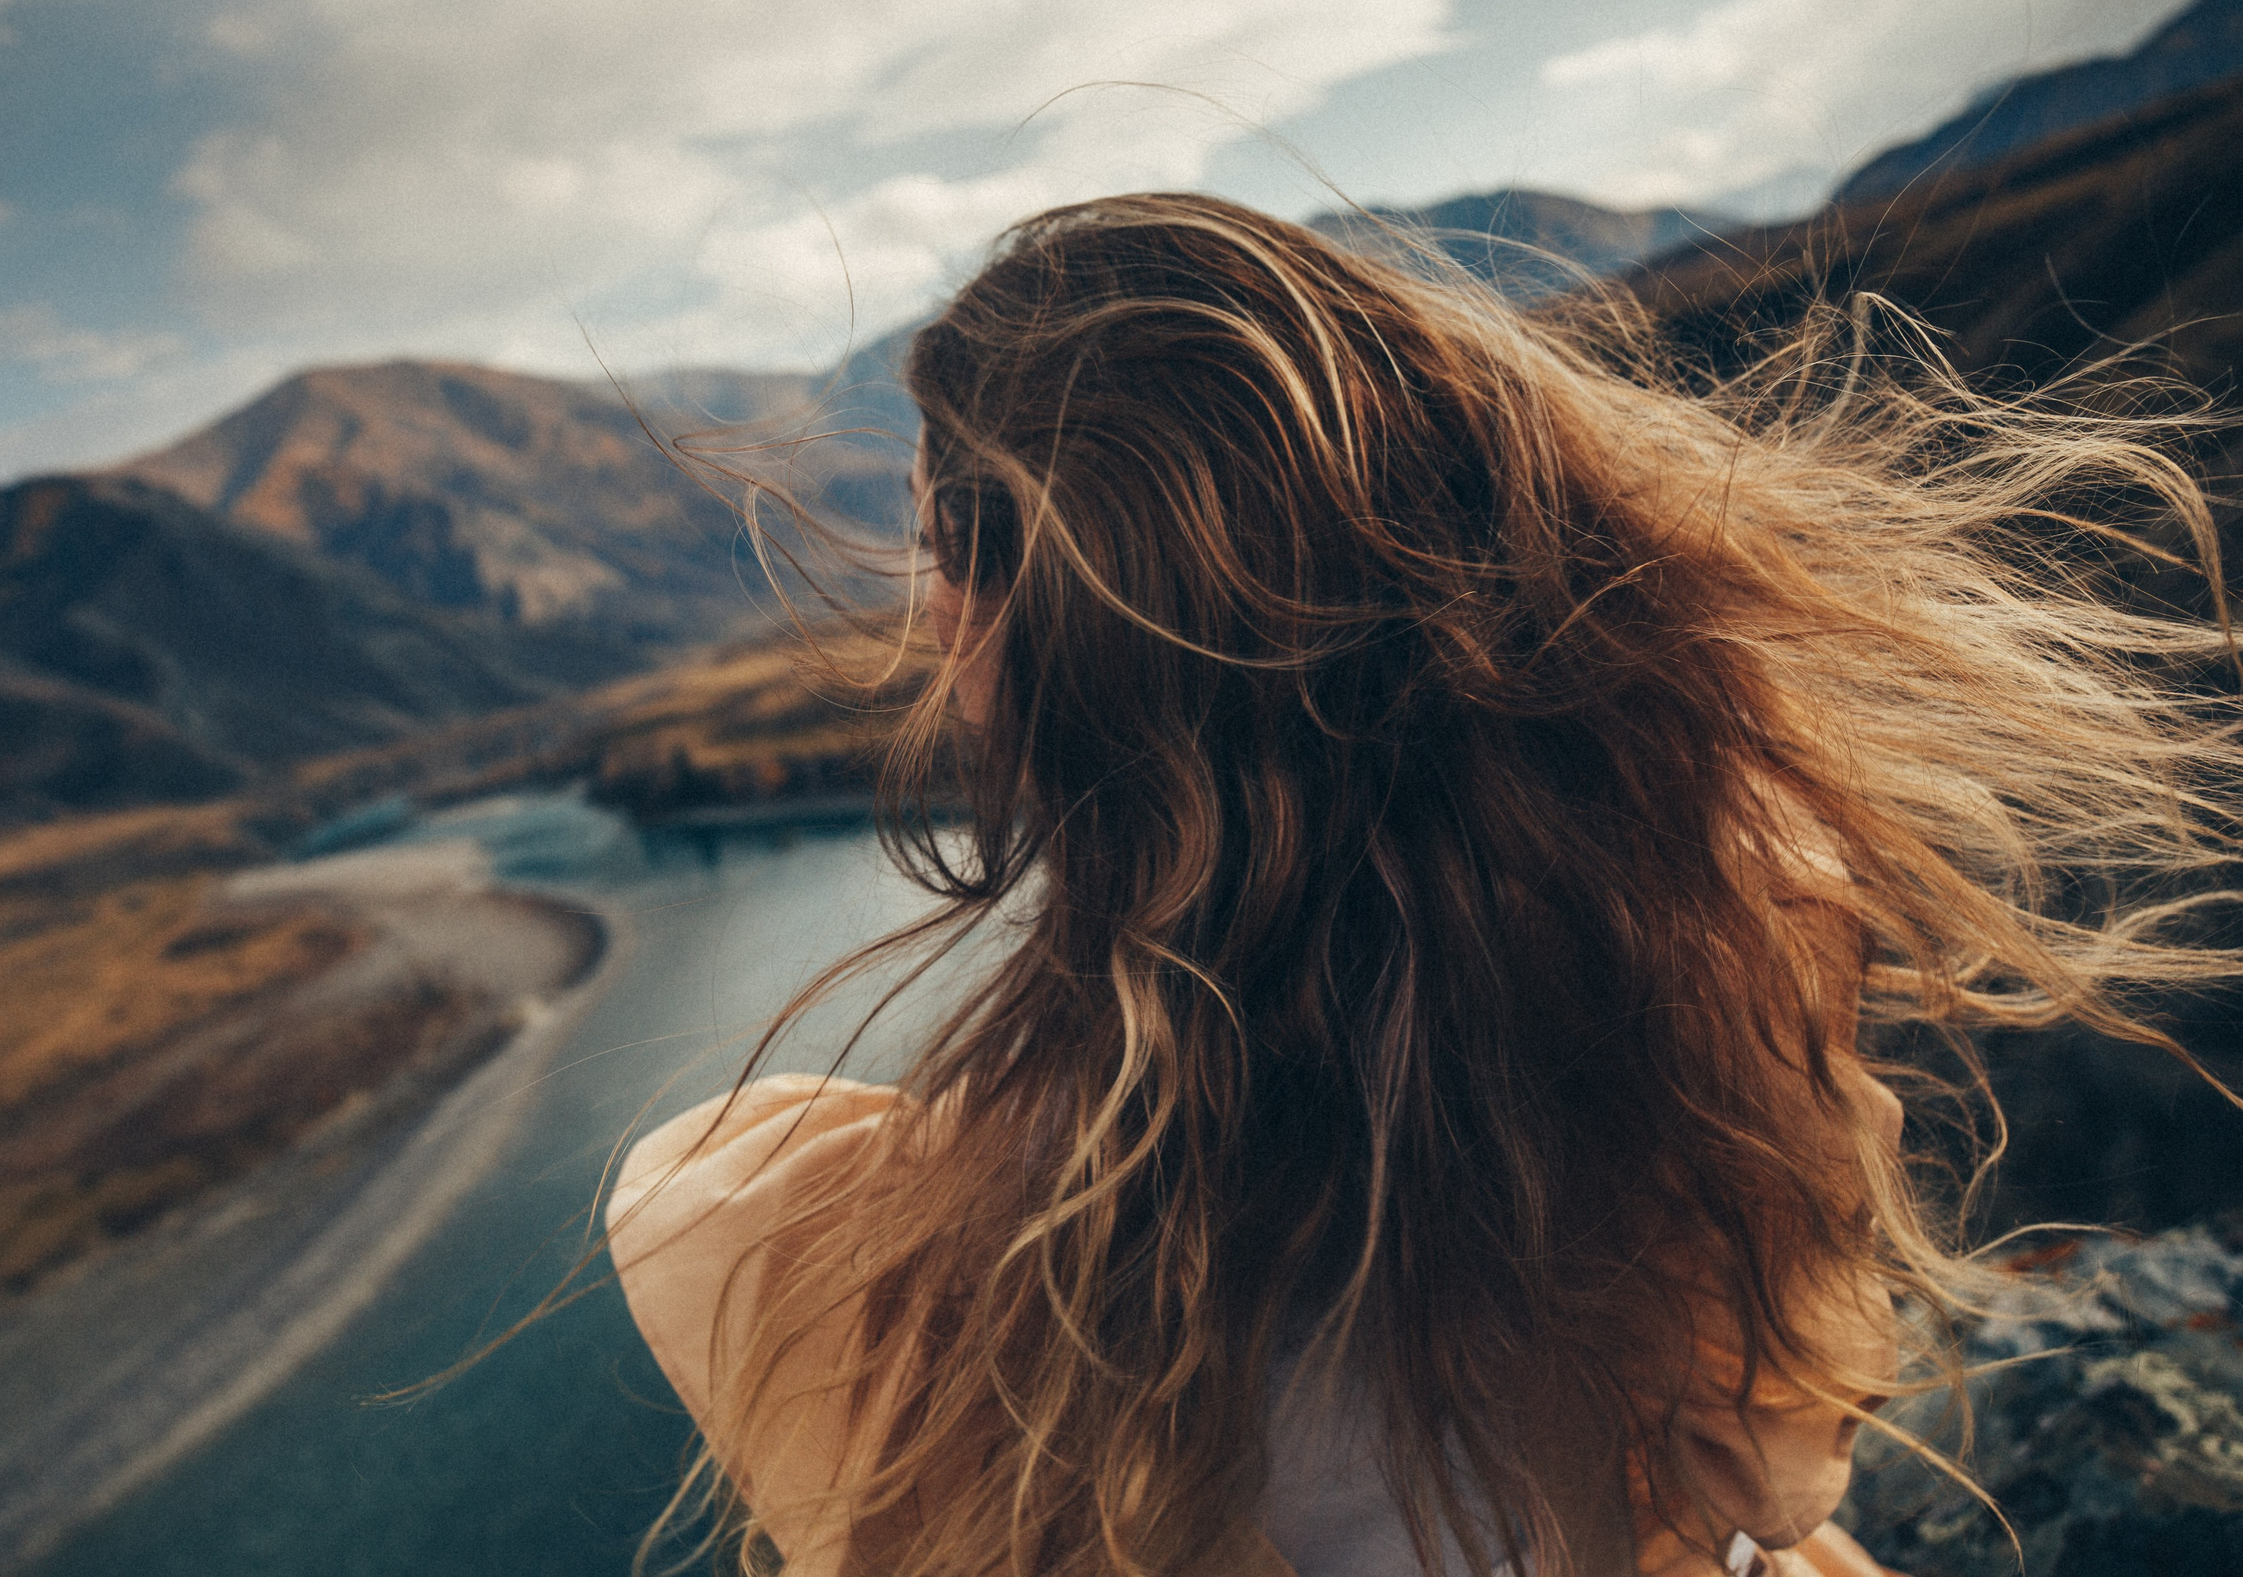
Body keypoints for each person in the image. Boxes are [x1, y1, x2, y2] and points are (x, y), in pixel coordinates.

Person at [606, 194, 2241, 1577]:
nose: (931, 624)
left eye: (937, 552)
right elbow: (1782, 1469)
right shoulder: (1688, 955)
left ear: (1040, 635)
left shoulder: (971, 1227)